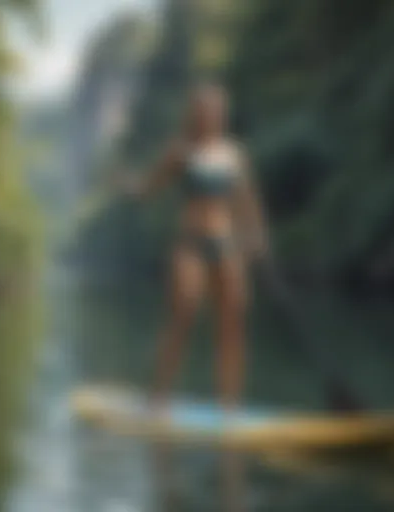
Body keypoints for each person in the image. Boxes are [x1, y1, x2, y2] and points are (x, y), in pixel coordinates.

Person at [119, 81, 268, 416]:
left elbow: (247, 202)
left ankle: (230, 408)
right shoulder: (180, 151)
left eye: (216, 110)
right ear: (194, 114)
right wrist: (129, 186)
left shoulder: (234, 154)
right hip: (190, 244)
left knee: (232, 324)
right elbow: (149, 187)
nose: (210, 116)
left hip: (226, 243)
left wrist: (256, 235)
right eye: (203, 110)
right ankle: (157, 401)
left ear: (223, 114)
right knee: (183, 313)